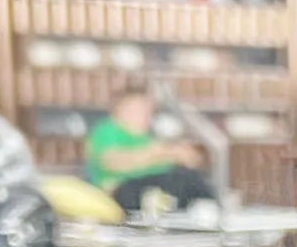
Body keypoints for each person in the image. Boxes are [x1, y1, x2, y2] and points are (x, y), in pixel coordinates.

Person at [86, 87, 218, 216]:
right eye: (137, 109)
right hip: (124, 191)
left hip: (162, 188)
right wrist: (161, 152)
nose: (145, 114)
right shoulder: (108, 131)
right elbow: (114, 162)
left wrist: (179, 153)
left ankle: (211, 210)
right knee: (178, 181)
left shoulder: (150, 137)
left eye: (148, 110)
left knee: (189, 179)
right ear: (119, 109)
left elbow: (192, 160)